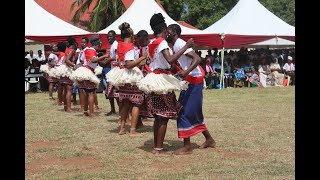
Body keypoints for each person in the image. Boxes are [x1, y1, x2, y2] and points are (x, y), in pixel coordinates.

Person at [136, 13, 193, 154]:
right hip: (161, 80)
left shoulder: (150, 44)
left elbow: (150, 61)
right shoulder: (161, 42)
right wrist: (186, 46)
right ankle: (158, 148)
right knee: (163, 116)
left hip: (154, 79)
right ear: (164, 27)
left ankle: (157, 146)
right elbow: (170, 59)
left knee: (158, 115)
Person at [166, 24, 216, 155]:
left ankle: (187, 147)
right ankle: (209, 139)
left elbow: (197, 59)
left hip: (195, 79)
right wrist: (183, 71)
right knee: (192, 112)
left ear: (174, 33)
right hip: (191, 79)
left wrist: (186, 71)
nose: (166, 34)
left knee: (183, 111)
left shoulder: (179, 43)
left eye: (168, 32)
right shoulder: (176, 45)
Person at [106, 22, 147, 136]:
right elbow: (129, 64)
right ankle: (132, 130)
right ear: (131, 35)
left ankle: (122, 128)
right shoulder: (130, 47)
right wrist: (142, 58)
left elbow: (121, 60)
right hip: (131, 75)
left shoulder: (118, 45)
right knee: (136, 102)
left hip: (122, 75)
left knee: (124, 103)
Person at [70, 35, 109, 118]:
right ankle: (91, 113)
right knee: (91, 93)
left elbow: (82, 60)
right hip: (87, 72)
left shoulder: (86, 50)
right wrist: (104, 56)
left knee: (86, 93)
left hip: (83, 71)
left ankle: (85, 112)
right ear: (98, 43)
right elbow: (93, 60)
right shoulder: (92, 50)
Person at [103, 30, 120, 116]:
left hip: (116, 71)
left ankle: (121, 112)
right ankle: (113, 109)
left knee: (116, 92)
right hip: (112, 70)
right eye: (108, 37)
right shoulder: (112, 45)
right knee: (110, 91)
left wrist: (109, 59)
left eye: (110, 36)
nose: (109, 38)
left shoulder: (116, 45)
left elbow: (118, 57)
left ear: (114, 36)